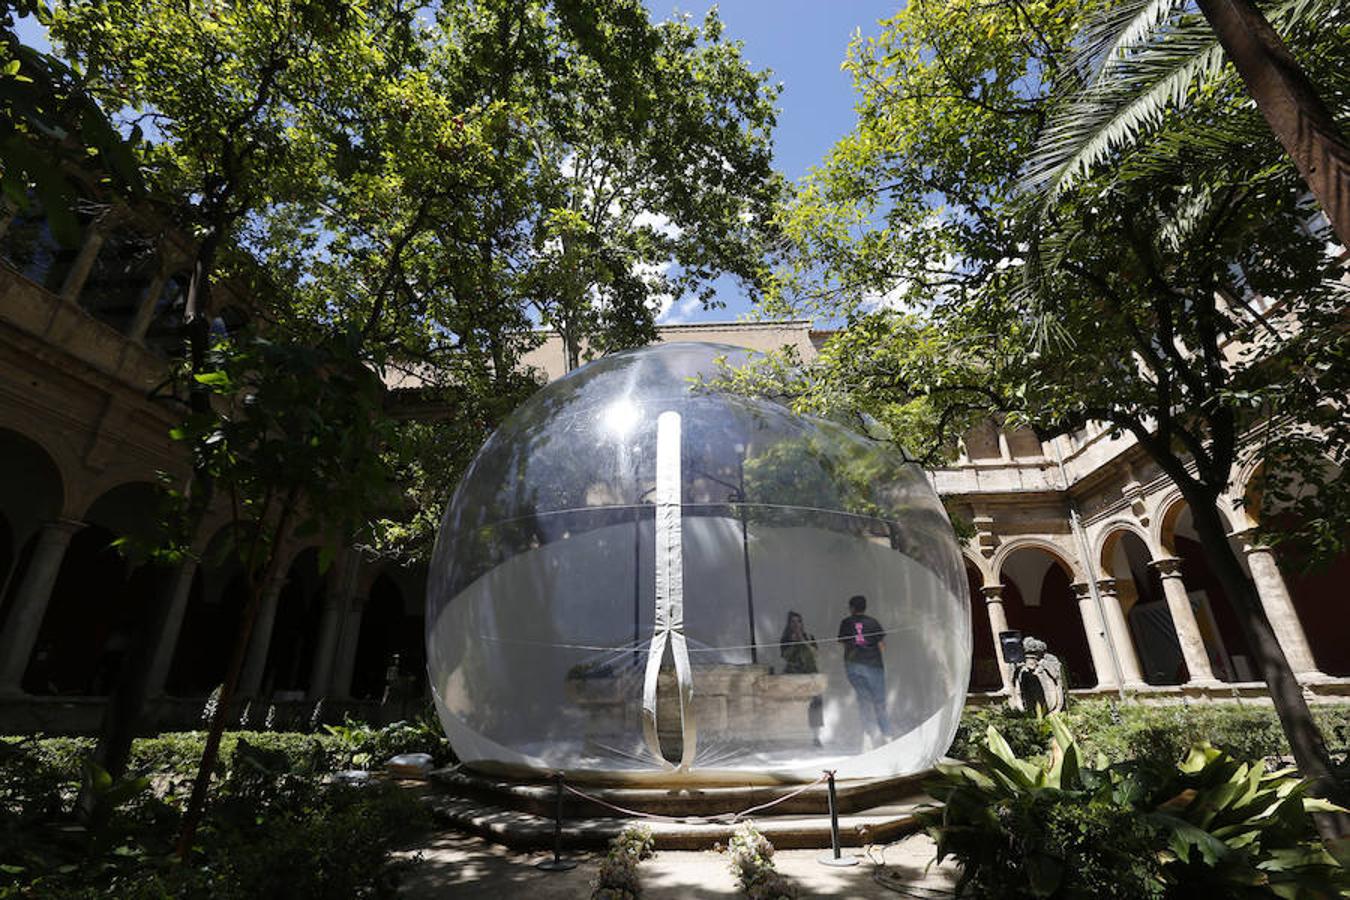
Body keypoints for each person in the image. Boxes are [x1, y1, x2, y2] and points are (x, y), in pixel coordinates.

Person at [837, 594, 891, 742]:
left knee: (864, 700)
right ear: (865, 607)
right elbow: (881, 646)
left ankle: (868, 736)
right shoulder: (873, 623)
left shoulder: (846, 622)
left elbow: (842, 643)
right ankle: (887, 736)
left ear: (852, 608)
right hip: (873, 666)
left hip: (853, 666)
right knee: (879, 702)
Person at [781, 611, 824, 744]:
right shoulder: (786, 640)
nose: (797, 624)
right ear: (789, 624)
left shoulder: (809, 637)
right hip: (793, 675)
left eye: (799, 621)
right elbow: (786, 656)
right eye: (793, 622)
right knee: (793, 705)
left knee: (816, 704)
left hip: (811, 675)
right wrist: (794, 642)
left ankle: (816, 737)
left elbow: (815, 653)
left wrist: (803, 640)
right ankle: (793, 735)